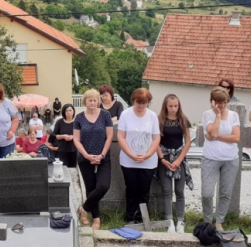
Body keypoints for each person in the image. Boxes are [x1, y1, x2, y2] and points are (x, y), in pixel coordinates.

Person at [118, 88, 160, 224]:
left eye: (144, 103)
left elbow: (156, 138)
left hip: (148, 161)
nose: (141, 106)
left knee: (144, 190)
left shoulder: (153, 116)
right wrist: (130, 154)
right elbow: (121, 137)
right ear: (133, 101)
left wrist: (147, 155)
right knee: (131, 189)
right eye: (138, 102)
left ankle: (142, 218)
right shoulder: (125, 114)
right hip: (128, 160)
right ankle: (129, 217)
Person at [201, 86, 240, 231]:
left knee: (225, 193)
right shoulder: (207, 114)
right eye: (219, 102)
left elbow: (236, 138)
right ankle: (207, 221)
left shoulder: (234, 115)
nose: (222, 106)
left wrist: (217, 137)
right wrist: (217, 116)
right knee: (207, 193)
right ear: (213, 102)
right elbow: (211, 131)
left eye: (224, 102)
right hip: (211, 157)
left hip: (230, 159)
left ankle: (219, 222)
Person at [74, 89, 113, 230]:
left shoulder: (105, 115)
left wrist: (102, 155)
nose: (92, 102)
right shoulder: (79, 118)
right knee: (90, 188)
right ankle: (96, 219)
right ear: (85, 101)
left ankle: (84, 209)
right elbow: (76, 140)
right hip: (85, 158)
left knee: (103, 186)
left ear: (98, 101)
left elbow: (109, 136)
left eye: (95, 100)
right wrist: (86, 155)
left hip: (103, 157)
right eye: (90, 100)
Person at [156, 94, 193, 234]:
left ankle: (180, 221)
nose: (173, 109)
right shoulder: (160, 120)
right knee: (166, 191)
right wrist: (162, 159)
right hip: (164, 158)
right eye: (170, 106)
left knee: (179, 191)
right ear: (165, 106)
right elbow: (156, 141)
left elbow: (188, 142)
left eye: (175, 106)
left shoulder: (183, 119)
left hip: (179, 158)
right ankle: (169, 221)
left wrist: (178, 160)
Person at [53, 103, 77, 168]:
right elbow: (54, 135)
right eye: (66, 110)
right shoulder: (59, 122)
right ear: (64, 112)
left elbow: (81, 135)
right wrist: (63, 136)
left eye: (70, 110)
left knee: (73, 168)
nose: (68, 112)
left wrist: (73, 137)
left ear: (73, 111)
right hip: (62, 149)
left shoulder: (77, 122)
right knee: (63, 168)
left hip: (74, 149)